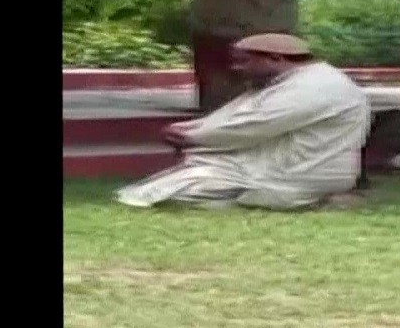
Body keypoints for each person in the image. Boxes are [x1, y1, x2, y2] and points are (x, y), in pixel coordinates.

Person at [116, 33, 372, 211]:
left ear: (275, 58)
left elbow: (252, 126)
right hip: (277, 167)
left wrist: (193, 137)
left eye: (244, 61)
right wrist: (190, 130)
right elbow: (235, 115)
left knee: (172, 197)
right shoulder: (290, 83)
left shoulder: (317, 86)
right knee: (155, 190)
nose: (237, 69)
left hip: (295, 174)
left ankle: (320, 201)